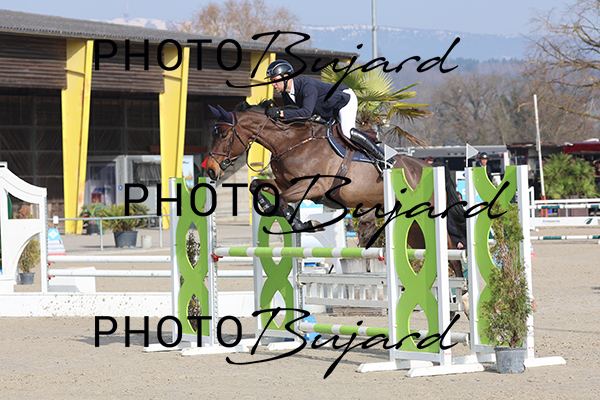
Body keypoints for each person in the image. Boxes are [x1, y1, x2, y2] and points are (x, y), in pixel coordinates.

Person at [264, 59, 393, 171]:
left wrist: (280, 112)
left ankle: (383, 158)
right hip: (327, 111)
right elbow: (294, 116)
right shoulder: (286, 95)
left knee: (347, 132)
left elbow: (306, 113)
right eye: (272, 81)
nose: (273, 84)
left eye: (275, 80)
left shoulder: (306, 86)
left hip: (343, 100)